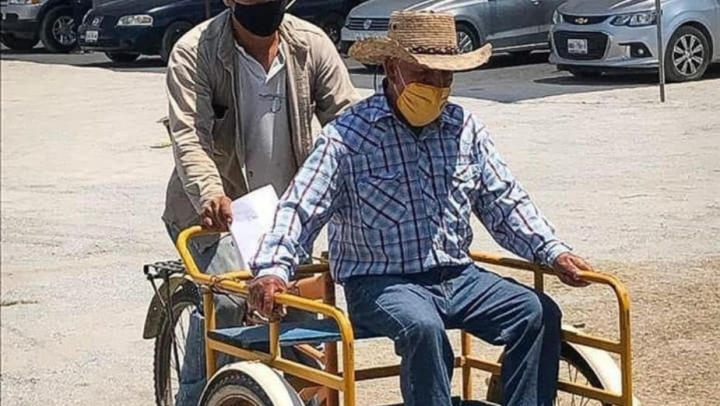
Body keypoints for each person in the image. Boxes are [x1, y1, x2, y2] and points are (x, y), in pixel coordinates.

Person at [247, 11, 595, 406]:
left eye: (446, 76)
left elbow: (505, 200)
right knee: (423, 327)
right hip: (379, 282)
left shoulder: (465, 128)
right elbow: (300, 208)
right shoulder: (347, 137)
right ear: (392, 69)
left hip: (457, 276)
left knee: (536, 313)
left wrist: (553, 251)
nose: (437, 86)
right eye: (424, 74)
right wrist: (274, 269)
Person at [161, 0, 359, 404]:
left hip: (283, 217)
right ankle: (193, 398)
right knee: (228, 304)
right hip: (212, 214)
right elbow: (190, 138)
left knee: (300, 312)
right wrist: (210, 193)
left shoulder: (309, 45)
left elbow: (349, 123)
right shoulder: (195, 51)